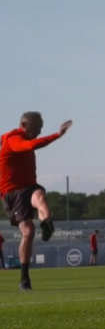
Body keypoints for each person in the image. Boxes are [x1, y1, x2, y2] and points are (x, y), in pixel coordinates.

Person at [0, 113, 72, 290]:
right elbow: (31, 145)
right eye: (38, 128)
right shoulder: (13, 138)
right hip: (12, 193)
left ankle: (47, 223)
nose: (40, 131)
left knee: (40, 198)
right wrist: (57, 135)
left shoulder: (9, 138)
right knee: (29, 231)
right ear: (25, 125)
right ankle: (24, 279)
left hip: (29, 187)